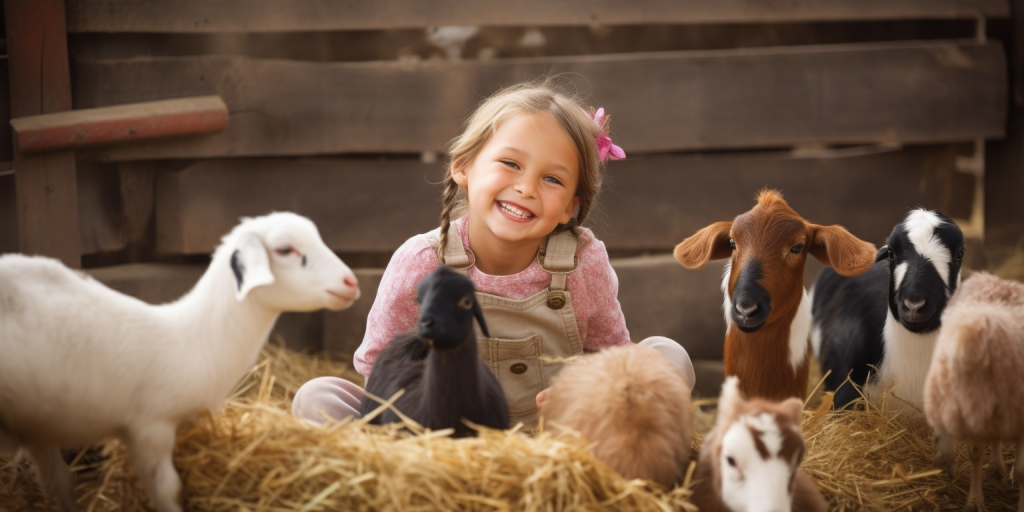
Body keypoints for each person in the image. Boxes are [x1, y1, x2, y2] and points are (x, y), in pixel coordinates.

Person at [292, 79, 695, 427]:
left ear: (571, 206)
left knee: (666, 357)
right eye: (510, 163)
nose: (526, 187)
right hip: (440, 430)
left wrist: (585, 396)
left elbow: (611, 359)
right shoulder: (421, 261)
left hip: (557, 436)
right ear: (464, 166)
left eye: (552, 178)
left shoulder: (582, 263)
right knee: (319, 396)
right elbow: (379, 366)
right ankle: (396, 478)